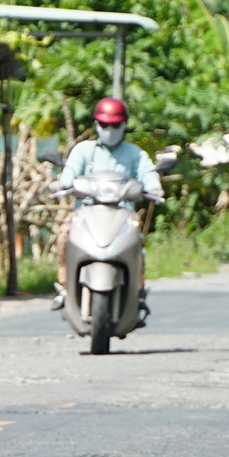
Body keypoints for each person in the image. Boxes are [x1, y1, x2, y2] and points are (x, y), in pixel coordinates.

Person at [50, 97, 163, 313]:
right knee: (65, 234)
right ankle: (64, 288)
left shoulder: (135, 153)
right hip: (87, 213)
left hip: (124, 215)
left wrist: (154, 188)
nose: (109, 130)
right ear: (96, 124)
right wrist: (62, 184)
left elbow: (148, 174)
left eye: (115, 125)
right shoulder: (84, 150)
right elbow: (69, 173)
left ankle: (138, 291)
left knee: (138, 243)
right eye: (104, 125)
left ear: (124, 125)